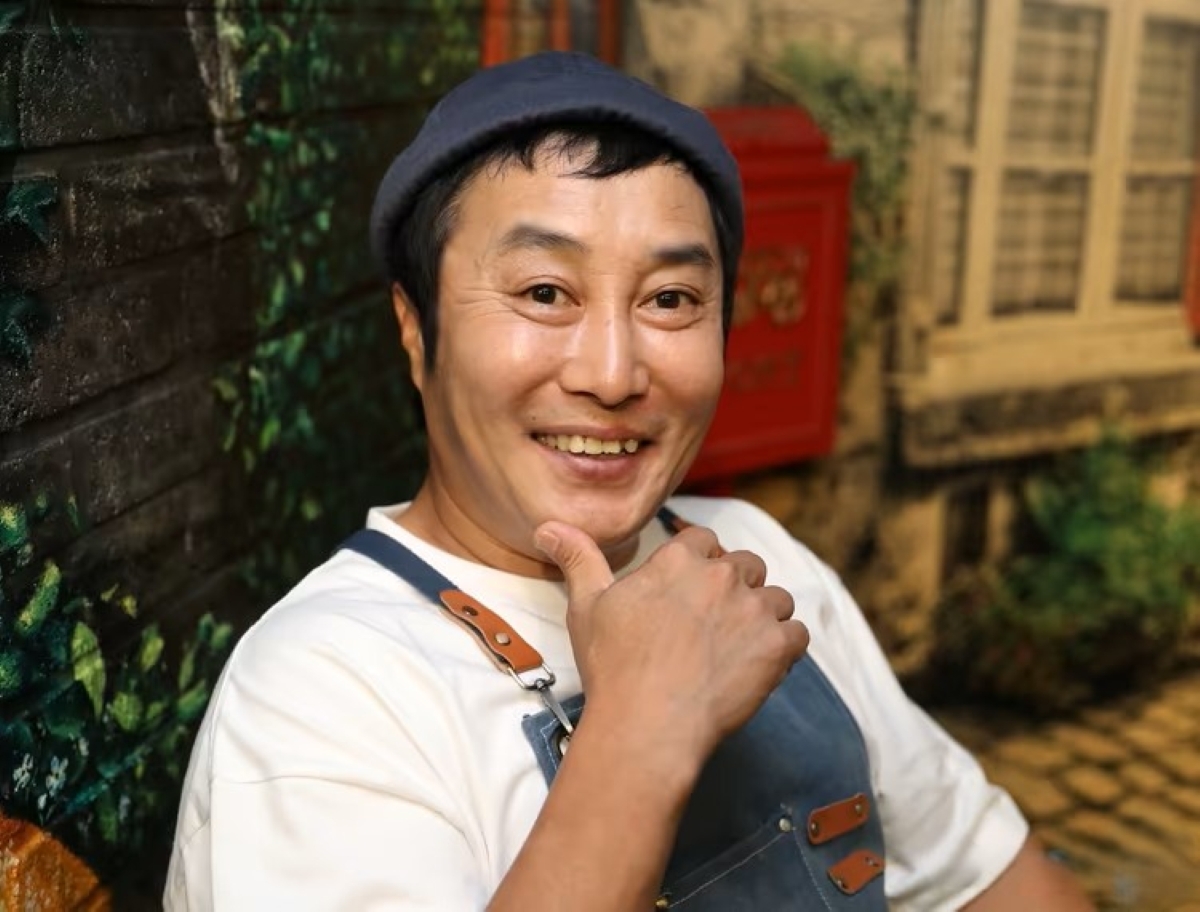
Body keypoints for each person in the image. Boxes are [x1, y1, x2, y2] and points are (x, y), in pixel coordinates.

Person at [165, 51, 1094, 911]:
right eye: (544, 293)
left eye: (671, 299)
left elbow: (995, 880)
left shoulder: (754, 558)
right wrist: (643, 730)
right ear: (416, 330)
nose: (612, 375)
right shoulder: (321, 696)